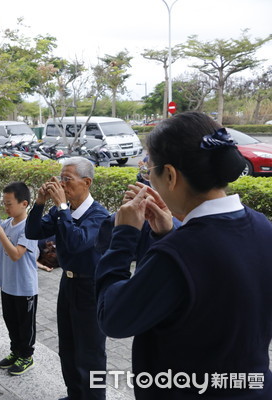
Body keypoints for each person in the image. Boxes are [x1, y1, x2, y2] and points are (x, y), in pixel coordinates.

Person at [95, 111, 272, 399]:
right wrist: (167, 234)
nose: (148, 178)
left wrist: (124, 234)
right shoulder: (262, 226)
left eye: (149, 170)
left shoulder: (176, 255)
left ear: (170, 175)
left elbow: (113, 318)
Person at [25, 157, 109, 400]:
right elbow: (33, 231)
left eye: (67, 180)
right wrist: (40, 203)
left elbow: (75, 243)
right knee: (68, 347)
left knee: (90, 352)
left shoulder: (98, 216)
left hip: (90, 287)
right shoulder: (62, 211)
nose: (62, 185)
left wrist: (62, 208)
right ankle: (75, 394)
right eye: (61, 179)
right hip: (67, 284)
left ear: (87, 182)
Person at [0, 182, 38, 376]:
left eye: (9, 204)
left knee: (25, 324)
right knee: (11, 321)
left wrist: (1, 234)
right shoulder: (7, 223)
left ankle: (27, 356)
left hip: (25, 287)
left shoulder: (29, 228)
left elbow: (16, 254)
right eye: (4, 204)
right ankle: (15, 352)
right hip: (8, 285)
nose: (5, 208)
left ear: (24, 203)